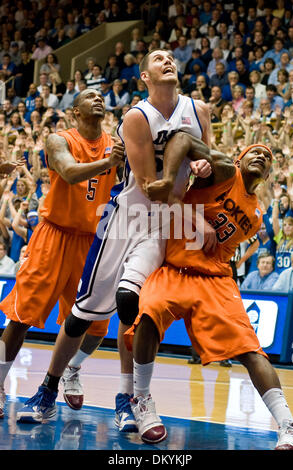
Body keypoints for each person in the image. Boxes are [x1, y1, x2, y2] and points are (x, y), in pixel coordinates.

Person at [15, 49, 213, 430]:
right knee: (82, 313)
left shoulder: (198, 110)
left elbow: (211, 164)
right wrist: (191, 210)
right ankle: (48, 389)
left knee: (131, 303)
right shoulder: (136, 117)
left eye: (171, 56)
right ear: (144, 77)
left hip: (165, 223)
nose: (167, 60)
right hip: (126, 218)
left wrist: (204, 166)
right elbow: (148, 185)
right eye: (158, 58)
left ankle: (130, 398)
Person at [124, 142, 293, 449]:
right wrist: (179, 177)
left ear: (269, 174)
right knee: (149, 313)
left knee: (250, 350)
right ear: (238, 158)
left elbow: (224, 250)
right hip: (176, 268)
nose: (261, 156)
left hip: (215, 279)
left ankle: (288, 425)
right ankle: (141, 400)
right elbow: (183, 139)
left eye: (268, 158)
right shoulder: (223, 170)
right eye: (254, 152)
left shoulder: (256, 215)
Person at [0, 89, 124, 419]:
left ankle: (71, 369)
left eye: (101, 96)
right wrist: (109, 163)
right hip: (53, 235)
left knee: (96, 326)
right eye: (90, 96)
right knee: (21, 315)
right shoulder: (58, 140)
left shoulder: (117, 143)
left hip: (92, 241)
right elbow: (69, 172)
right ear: (74, 112)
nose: (99, 98)